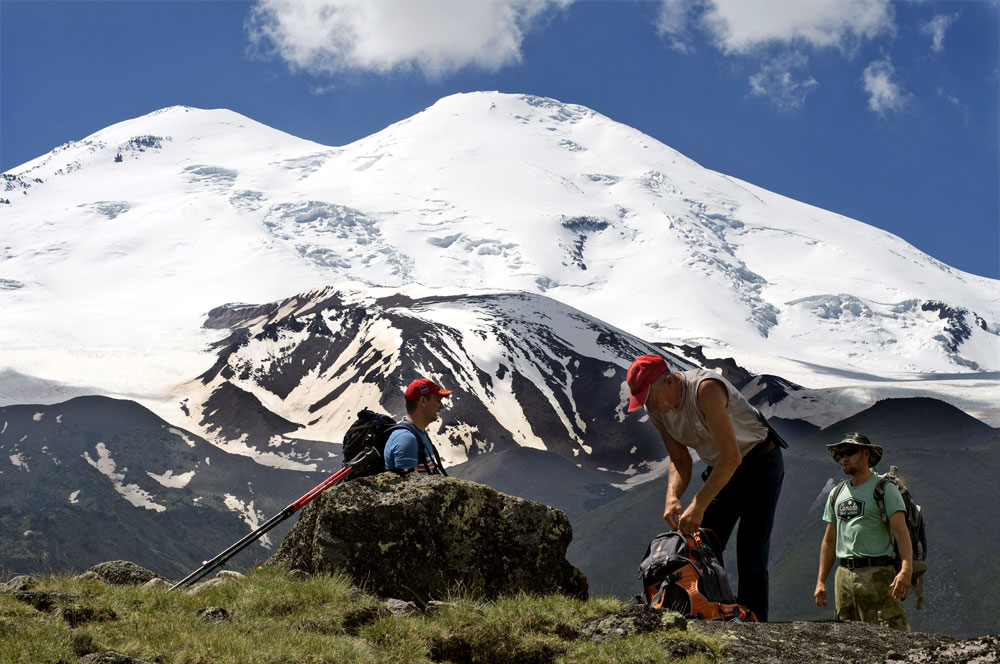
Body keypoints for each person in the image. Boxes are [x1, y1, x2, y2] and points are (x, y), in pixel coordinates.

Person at [626, 354, 785, 621]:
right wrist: (672, 497)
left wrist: (698, 504)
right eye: (642, 400)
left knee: (751, 551)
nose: (648, 405)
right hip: (721, 469)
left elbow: (731, 456)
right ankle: (712, 612)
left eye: (649, 397)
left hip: (759, 462)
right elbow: (680, 460)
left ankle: (756, 624)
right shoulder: (656, 412)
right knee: (703, 545)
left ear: (669, 381)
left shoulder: (705, 389)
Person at [814, 433, 912, 631]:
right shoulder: (836, 493)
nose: (844, 458)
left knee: (891, 635)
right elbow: (829, 540)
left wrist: (906, 569)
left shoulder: (885, 490)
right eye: (841, 453)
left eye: (849, 452)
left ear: (866, 454)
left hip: (878, 574)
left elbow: (902, 533)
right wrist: (821, 581)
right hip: (843, 578)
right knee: (847, 637)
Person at [383, 378, 451, 475]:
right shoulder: (406, 439)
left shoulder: (418, 434)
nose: (441, 406)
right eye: (438, 400)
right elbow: (409, 484)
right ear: (423, 401)